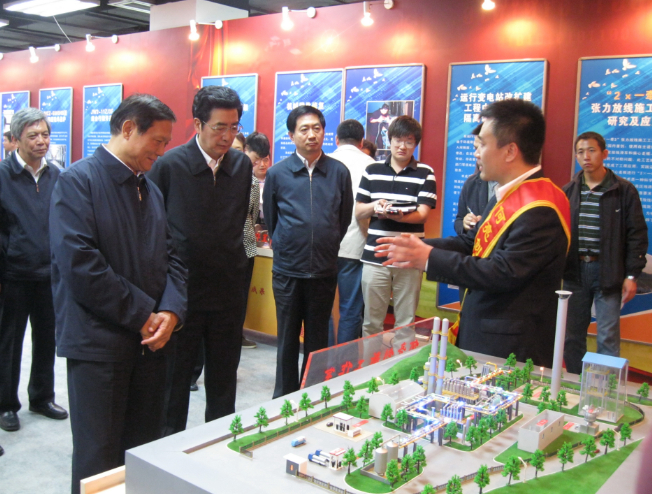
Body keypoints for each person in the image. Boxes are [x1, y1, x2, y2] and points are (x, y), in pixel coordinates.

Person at [50, 94, 187, 494]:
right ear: (128, 129)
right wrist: (144, 315)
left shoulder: (150, 189)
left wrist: (171, 312)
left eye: (166, 143)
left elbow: (173, 257)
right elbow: (82, 266)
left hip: (151, 345)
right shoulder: (77, 182)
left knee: (141, 453)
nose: (161, 151)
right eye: (157, 141)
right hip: (100, 347)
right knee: (99, 459)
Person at [375, 99, 570, 367]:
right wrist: (417, 247)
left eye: (482, 145)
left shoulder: (540, 207)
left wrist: (429, 257)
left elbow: (502, 272)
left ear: (510, 151)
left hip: (509, 346)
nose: (476, 154)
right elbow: (473, 243)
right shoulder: (507, 193)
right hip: (487, 331)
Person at [148, 85, 252, 434]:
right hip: (182, 294)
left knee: (223, 382)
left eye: (234, 127)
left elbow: (244, 223)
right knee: (174, 383)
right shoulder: (169, 165)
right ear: (197, 124)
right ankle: (166, 452)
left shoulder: (241, 166)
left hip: (228, 294)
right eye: (219, 127)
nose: (227, 136)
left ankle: (218, 447)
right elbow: (155, 231)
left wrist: (243, 269)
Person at [264, 105, 353, 398]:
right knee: (287, 338)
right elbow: (272, 220)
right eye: (304, 129)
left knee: (318, 339)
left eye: (317, 128)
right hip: (287, 271)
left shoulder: (338, 172)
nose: (312, 134)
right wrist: (288, 245)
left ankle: (311, 395)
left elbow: (343, 218)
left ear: (324, 132)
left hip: (324, 271)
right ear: (291, 135)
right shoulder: (278, 173)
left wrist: (327, 244)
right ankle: (283, 397)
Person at [0, 108, 67, 433]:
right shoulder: (3, 176)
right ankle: (5, 405)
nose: (41, 141)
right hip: (12, 276)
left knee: (46, 340)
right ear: (15, 139)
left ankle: (42, 397)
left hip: (49, 276)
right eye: (33, 136)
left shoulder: (57, 175)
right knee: (9, 343)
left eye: (45, 134)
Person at [562, 131, 647, 373]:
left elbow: (637, 235)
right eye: (580, 152)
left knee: (607, 336)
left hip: (608, 270)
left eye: (592, 150)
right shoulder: (569, 191)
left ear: (604, 154)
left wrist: (631, 275)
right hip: (575, 271)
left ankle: (606, 389)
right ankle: (575, 384)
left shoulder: (623, 190)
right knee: (572, 335)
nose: (586, 156)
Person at [355, 116, 436, 337]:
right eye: (398, 140)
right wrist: (375, 207)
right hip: (375, 256)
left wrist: (399, 217)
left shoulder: (425, 173)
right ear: (389, 140)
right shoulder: (372, 170)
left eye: (409, 141)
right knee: (371, 322)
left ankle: (401, 360)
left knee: (406, 323)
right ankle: (370, 360)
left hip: (410, 257)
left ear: (416, 144)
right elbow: (359, 211)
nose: (402, 146)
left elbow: (422, 215)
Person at [328, 120, 376, 345]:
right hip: (357, 245)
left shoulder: (324, 161)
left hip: (325, 246)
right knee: (350, 309)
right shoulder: (372, 165)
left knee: (323, 308)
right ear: (362, 141)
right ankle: (343, 361)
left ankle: (323, 358)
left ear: (336, 139)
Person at [454, 123, 498, 235]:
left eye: (482, 147)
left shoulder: (520, 192)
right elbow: (459, 220)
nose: (476, 154)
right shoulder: (471, 183)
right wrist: (465, 224)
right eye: (475, 148)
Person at [246, 132, 271, 227]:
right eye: (257, 159)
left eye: (265, 160)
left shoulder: (274, 179)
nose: (262, 164)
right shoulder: (245, 179)